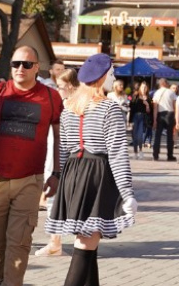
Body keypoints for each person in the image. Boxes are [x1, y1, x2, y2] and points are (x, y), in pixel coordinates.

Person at [0, 45, 63, 286]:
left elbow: (59, 137)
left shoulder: (51, 97)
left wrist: (56, 173)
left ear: (37, 68)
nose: (20, 68)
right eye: (16, 64)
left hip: (30, 180)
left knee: (19, 242)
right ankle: (5, 281)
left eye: (27, 64)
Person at [46, 53, 137, 286]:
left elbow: (63, 150)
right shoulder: (109, 108)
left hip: (73, 173)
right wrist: (127, 193)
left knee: (89, 243)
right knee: (85, 244)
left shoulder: (69, 108)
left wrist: (61, 179)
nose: (114, 77)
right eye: (111, 73)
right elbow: (117, 153)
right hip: (97, 174)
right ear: (102, 77)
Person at [36, 66, 79, 257]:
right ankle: (56, 241)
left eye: (60, 86)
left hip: (65, 160)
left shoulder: (72, 106)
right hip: (56, 157)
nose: (57, 89)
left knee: (63, 201)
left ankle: (62, 242)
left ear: (69, 86)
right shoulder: (64, 104)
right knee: (55, 201)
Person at [152, 77, 177, 161]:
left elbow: (155, 107)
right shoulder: (171, 92)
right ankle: (170, 155)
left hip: (160, 114)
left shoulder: (157, 93)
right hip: (170, 114)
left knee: (158, 135)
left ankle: (155, 154)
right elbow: (174, 105)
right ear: (165, 83)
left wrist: (154, 119)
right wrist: (176, 117)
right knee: (170, 136)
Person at [129, 80, 151, 157]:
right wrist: (130, 121)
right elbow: (131, 107)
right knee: (135, 136)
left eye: (145, 88)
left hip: (143, 117)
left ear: (147, 89)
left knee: (140, 135)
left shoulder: (148, 98)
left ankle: (141, 150)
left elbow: (149, 111)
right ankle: (135, 152)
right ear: (140, 88)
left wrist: (147, 105)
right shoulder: (135, 96)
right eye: (142, 87)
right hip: (135, 116)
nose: (144, 89)